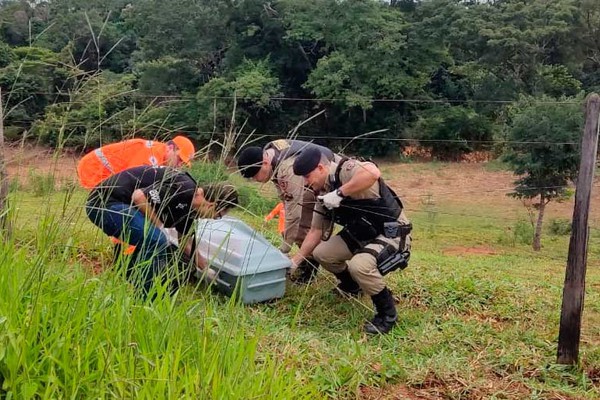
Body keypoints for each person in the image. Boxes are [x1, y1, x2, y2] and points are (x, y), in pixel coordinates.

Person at [290, 147, 412, 335]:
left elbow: (372, 172)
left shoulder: (345, 170)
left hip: (392, 231)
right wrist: (294, 262)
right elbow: (315, 232)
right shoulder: (323, 193)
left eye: (307, 176)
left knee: (360, 266)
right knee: (322, 253)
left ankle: (387, 315)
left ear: (321, 168)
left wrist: (339, 194)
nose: (306, 182)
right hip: (363, 231)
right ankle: (351, 287)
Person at [85, 165, 238, 298]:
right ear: (213, 204)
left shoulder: (189, 210)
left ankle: (128, 273)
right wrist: (159, 228)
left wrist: (206, 269)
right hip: (104, 204)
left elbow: (185, 241)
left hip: (119, 207)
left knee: (157, 241)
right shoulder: (185, 188)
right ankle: (145, 296)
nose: (215, 219)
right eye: (219, 215)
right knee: (158, 241)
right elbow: (139, 196)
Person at [237, 139, 338, 284]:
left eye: (255, 175)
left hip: (330, 178)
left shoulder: (287, 168)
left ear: (265, 163)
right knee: (299, 227)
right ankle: (308, 264)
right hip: (310, 183)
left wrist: (284, 247)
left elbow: (294, 211)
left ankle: (311, 266)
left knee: (302, 225)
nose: (255, 180)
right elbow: (285, 198)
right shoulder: (269, 155)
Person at [77, 136, 196, 189]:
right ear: (170, 148)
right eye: (180, 159)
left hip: (102, 169)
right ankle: (122, 239)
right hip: (93, 167)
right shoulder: (151, 156)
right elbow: (133, 181)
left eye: (183, 163)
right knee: (117, 203)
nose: (180, 164)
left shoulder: (159, 156)